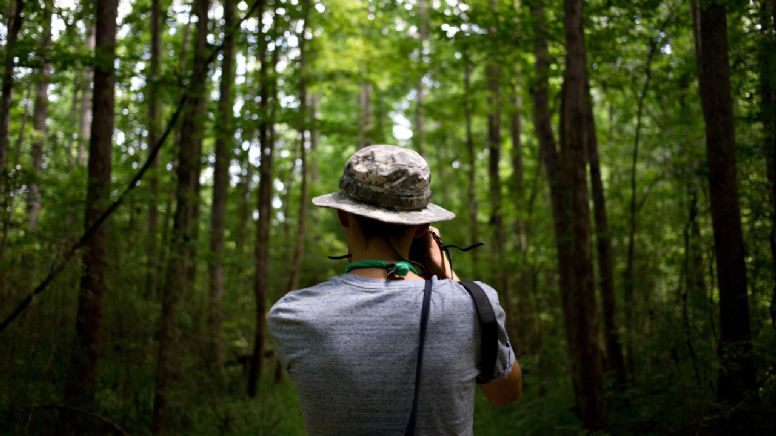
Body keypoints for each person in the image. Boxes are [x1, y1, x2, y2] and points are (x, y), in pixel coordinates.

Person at [268, 145, 522, 435]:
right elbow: (506, 394)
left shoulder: (292, 315)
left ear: (342, 216)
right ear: (421, 226)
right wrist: (447, 273)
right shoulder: (473, 305)